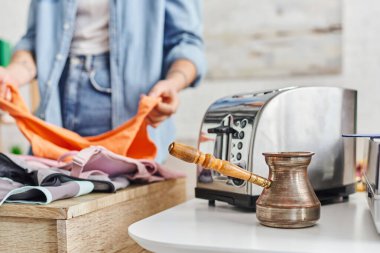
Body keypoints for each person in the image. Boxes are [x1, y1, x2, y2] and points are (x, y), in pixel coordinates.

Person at [0, 0, 205, 163]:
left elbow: (186, 42)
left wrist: (173, 83)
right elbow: (35, 42)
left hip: (127, 114)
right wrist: (11, 76)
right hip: (54, 110)